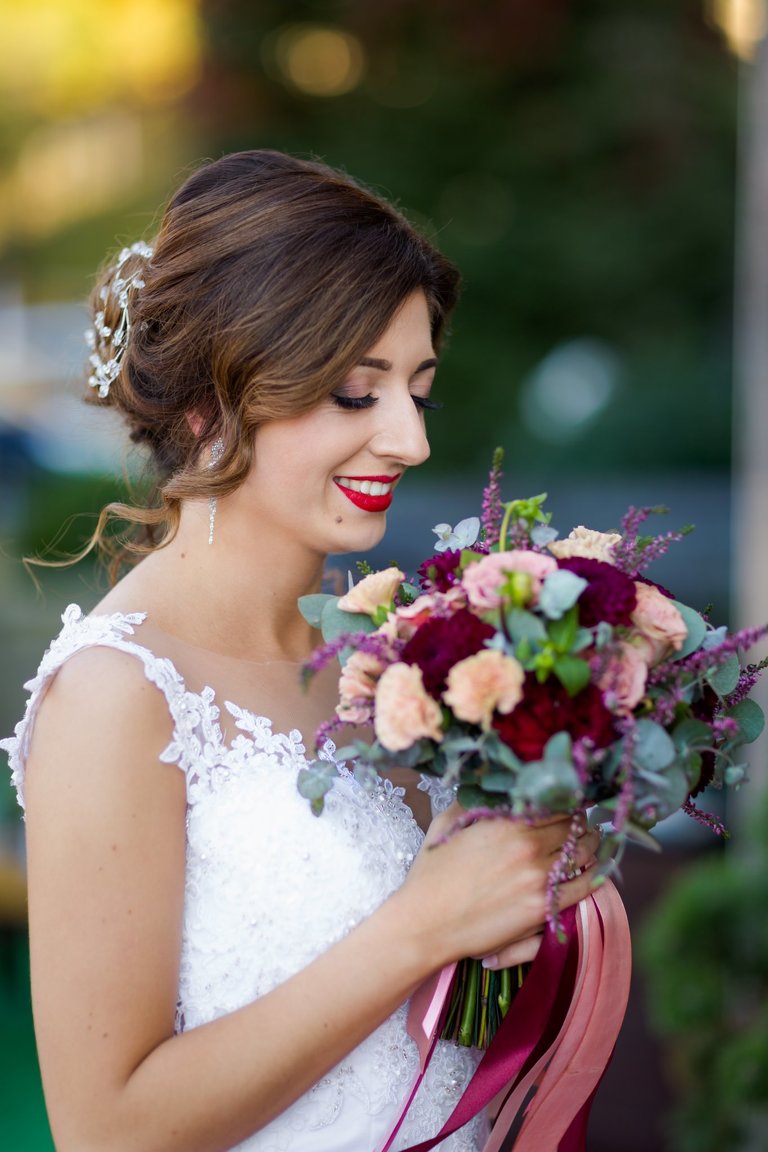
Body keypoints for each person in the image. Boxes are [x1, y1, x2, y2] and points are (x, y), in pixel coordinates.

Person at [2, 151, 601, 1152]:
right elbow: (105, 1129)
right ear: (209, 400)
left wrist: (514, 905)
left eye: (420, 390)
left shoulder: (397, 659)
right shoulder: (119, 694)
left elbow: (432, 1040)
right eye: (357, 393)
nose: (410, 439)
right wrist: (425, 926)